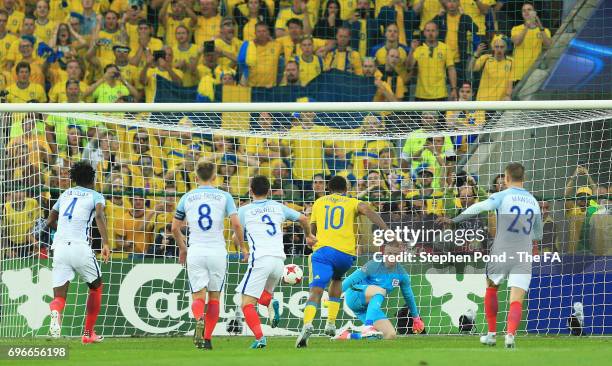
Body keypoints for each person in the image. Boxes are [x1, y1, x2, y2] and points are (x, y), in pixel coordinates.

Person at [438, 162, 543, 348]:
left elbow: (477, 208)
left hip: (502, 250)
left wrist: (454, 219)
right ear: (523, 178)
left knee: (492, 288)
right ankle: (510, 335)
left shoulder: (501, 196)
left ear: (507, 178)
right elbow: (538, 234)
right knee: (516, 299)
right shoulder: (534, 202)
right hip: (523, 253)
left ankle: (492, 334)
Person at [295, 175, 395, 347]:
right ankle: (331, 324)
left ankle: (307, 324)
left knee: (317, 290)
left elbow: (313, 229)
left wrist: (309, 238)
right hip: (345, 255)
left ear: (328, 188)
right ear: (346, 189)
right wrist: (386, 230)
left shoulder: (319, 203)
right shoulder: (352, 202)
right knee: (337, 279)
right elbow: (369, 211)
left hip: (324, 252)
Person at [171, 160, 247, 350]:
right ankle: (207, 339)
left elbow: (174, 228)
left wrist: (183, 248)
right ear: (215, 177)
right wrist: (243, 247)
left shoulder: (186, 197)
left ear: (195, 178)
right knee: (214, 297)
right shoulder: (224, 196)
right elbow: (237, 224)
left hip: (196, 250)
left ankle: (199, 318)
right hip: (217, 251)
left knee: (198, 296)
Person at [236, 175, 316, 349]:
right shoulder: (278, 207)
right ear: (269, 191)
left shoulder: (244, 210)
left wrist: (243, 250)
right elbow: (303, 218)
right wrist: (308, 235)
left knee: (247, 303)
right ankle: (271, 302)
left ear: (250, 191)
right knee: (261, 295)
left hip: (260, 259)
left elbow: (236, 232)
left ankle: (260, 338)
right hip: (279, 261)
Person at [45, 160, 110, 343]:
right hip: (80, 246)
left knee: (59, 296)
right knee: (96, 287)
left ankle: (56, 313)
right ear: (93, 178)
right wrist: (106, 243)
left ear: (74, 179)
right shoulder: (96, 196)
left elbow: (50, 221)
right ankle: (88, 334)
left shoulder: (65, 194)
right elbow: (99, 215)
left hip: (59, 248)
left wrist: (63, 231)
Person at [336, 245, 424, 340]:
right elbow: (350, 280)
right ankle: (368, 326)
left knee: (389, 335)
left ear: (400, 255)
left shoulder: (402, 275)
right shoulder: (373, 265)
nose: (392, 256)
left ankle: (347, 336)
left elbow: (409, 297)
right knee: (381, 290)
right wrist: (332, 297)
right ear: (384, 253)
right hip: (354, 294)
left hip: (368, 307)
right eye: (389, 253)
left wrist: (416, 318)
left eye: (395, 254)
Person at [407, 22, 458, 101]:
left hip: (440, 94)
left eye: (433, 30)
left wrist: (454, 88)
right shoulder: (418, 49)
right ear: (424, 32)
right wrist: (412, 50)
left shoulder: (445, 48)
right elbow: (408, 67)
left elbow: (451, 69)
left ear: (437, 32)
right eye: (428, 30)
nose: (430, 33)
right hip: (421, 94)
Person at [511, 3, 551, 83]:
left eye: (529, 9)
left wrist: (539, 24)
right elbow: (517, 42)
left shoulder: (544, 30)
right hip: (519, 72)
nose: (526, 12)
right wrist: (527, 26)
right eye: (524, 10)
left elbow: (549, 45)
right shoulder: (516, 29)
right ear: (522, 14)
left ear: (535, 12)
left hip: (534, 72)